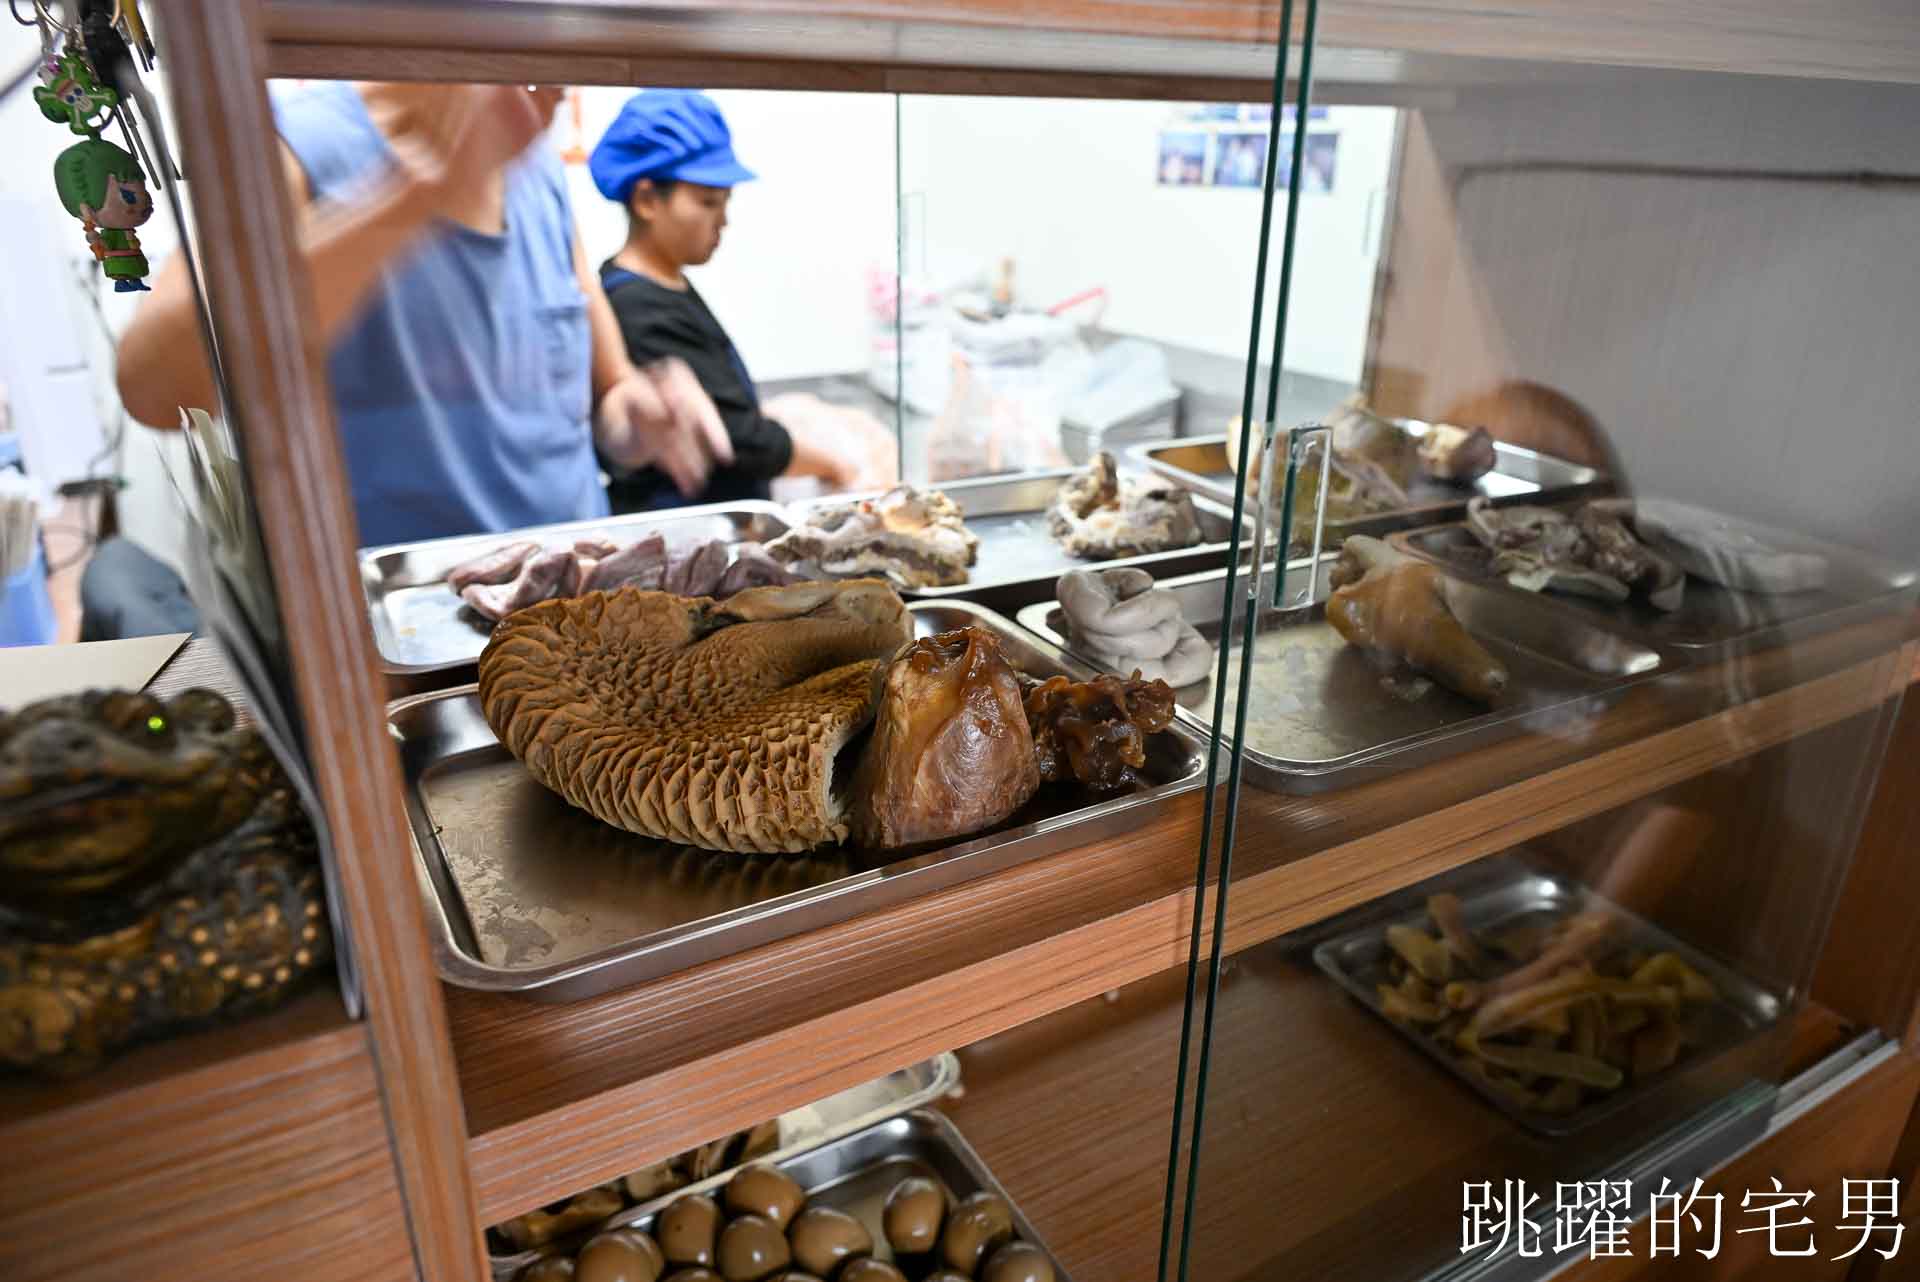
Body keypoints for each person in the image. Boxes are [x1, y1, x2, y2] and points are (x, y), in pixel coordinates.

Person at [116, 82, 732, 546]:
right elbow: (156, 390)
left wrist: (642, 417)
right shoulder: (298, 143)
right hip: (397, 638)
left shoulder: (535, 166)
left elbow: (608, 393)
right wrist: (416, 199)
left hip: (570, 610)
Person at [587, 89, 895, 512]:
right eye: (708, 202)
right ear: (646, 200)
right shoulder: (637, 304)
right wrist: (837, 466)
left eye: (727, 202)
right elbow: (733, 437)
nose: (724, 221)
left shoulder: (666, 284)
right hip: (681, 535)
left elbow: (721, 399)